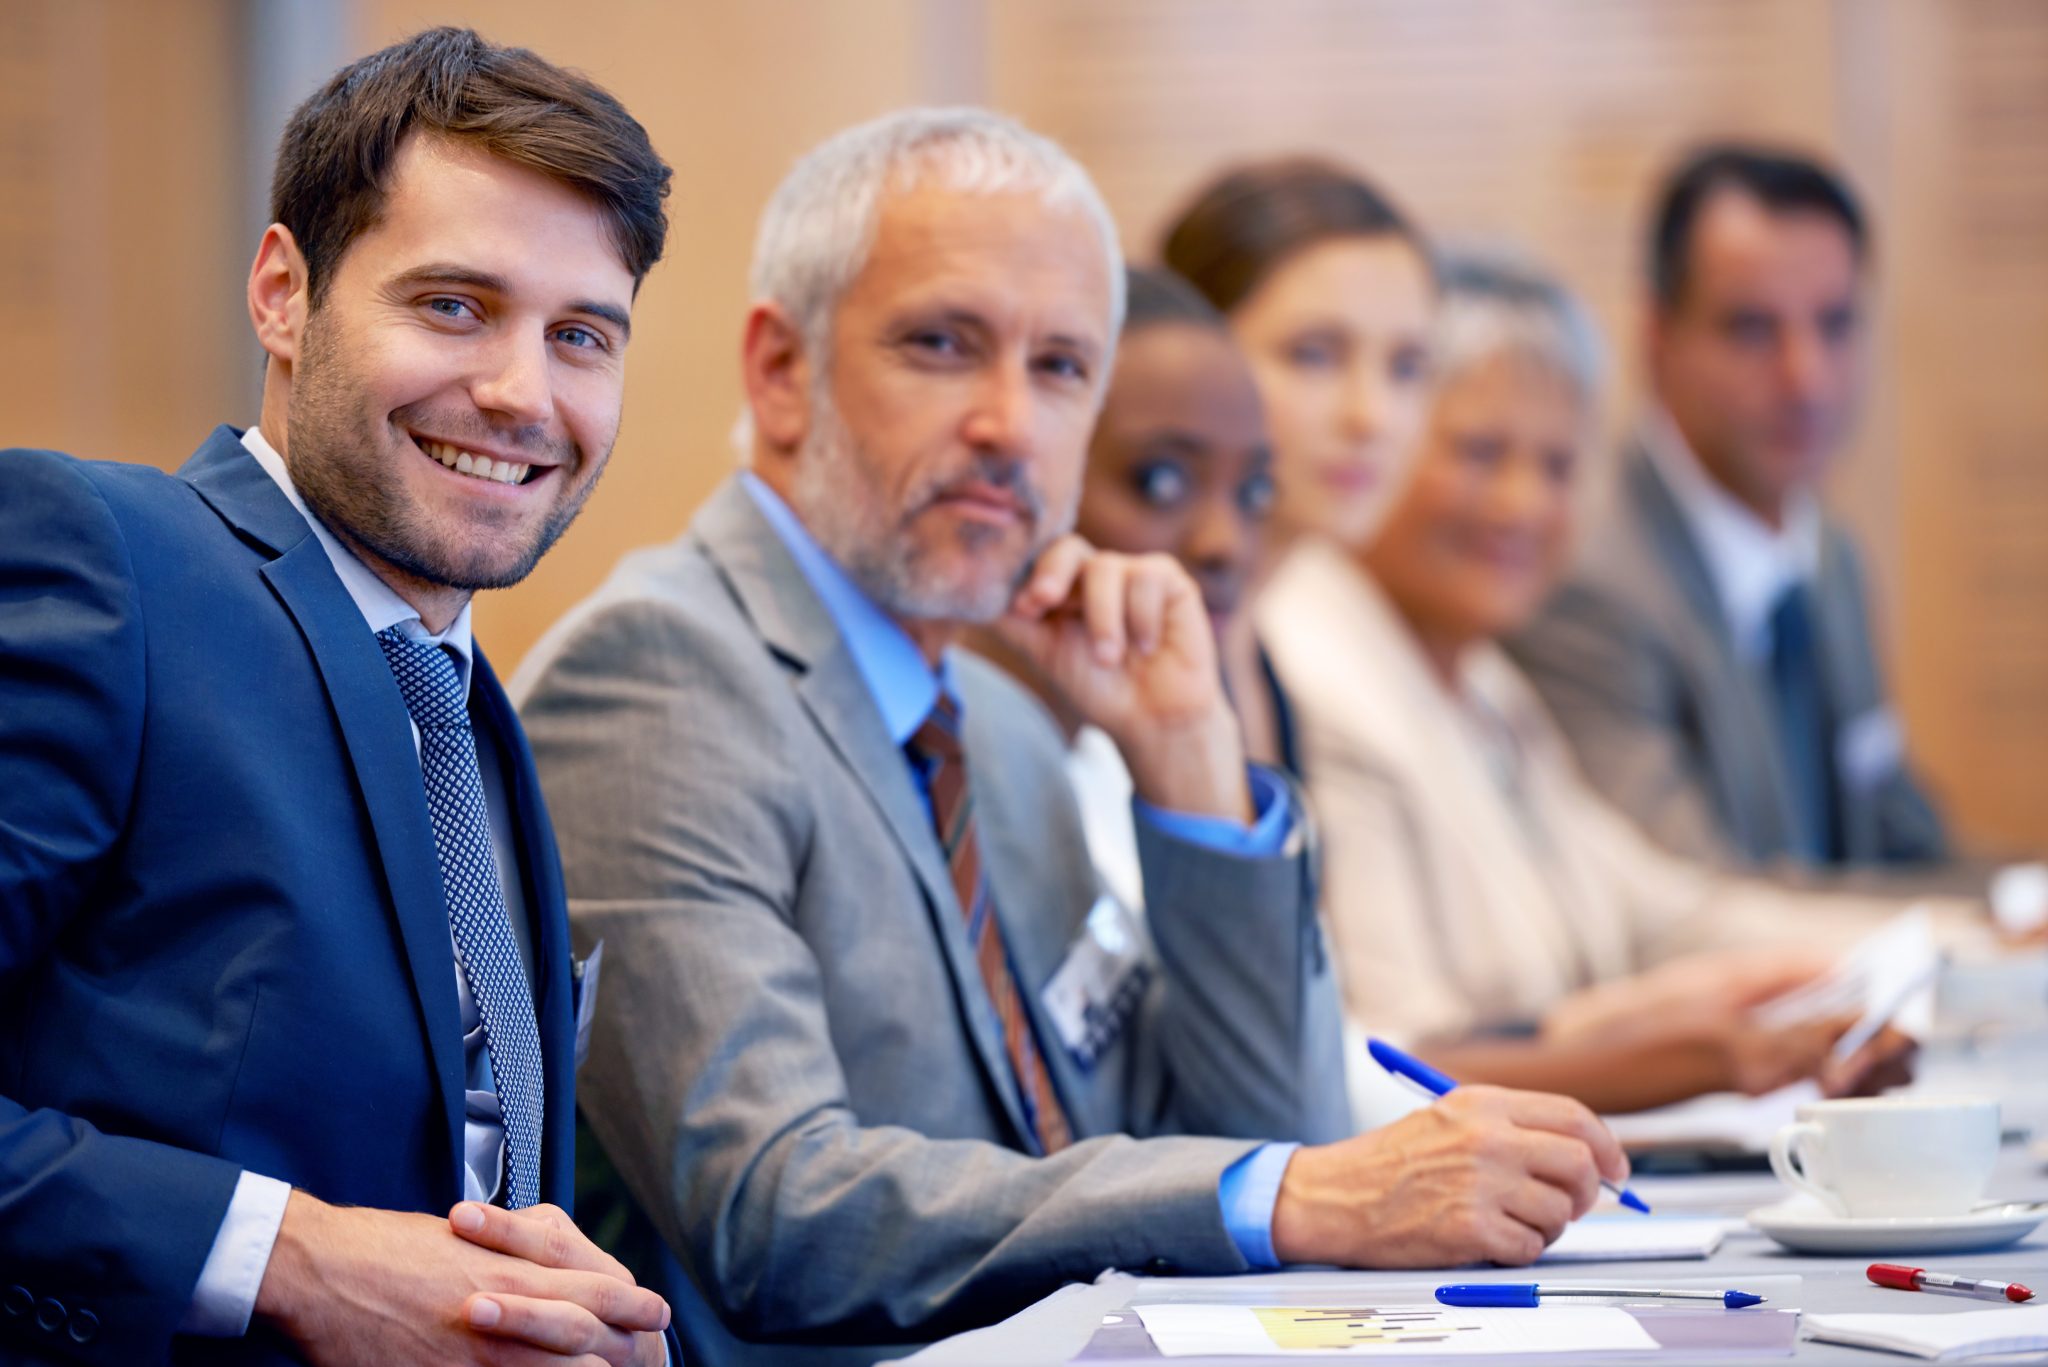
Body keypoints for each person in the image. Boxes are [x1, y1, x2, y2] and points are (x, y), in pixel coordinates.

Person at [514, 109, 1631, 1366]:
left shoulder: (1000, 721)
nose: (1010, 424)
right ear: (781, 371)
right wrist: (1285, 1191)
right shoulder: (659, 675)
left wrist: (1192, 769)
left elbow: (1261, 1125)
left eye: (1059, 369)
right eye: (944, 345)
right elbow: (776, 1212)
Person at [0, 29, 677, 1367]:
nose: (520, 393)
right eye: (453, 305)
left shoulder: (471, 709)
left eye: (580, 334)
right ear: (280, 293)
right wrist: (287, 1257)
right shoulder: (108, 559)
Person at [1259, 249, 1952, 1114]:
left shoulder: (1480, 679)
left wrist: (1948, 942)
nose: (1523, 505)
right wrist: (1679, 1035)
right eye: (1480, 453)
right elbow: (1396, 1057)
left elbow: (1660, 907)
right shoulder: (1314, 669)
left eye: (1557, 465)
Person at [1506, 145, 1955, 874]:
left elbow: (1902, 838)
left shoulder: (1829, 557)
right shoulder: (1590, 585)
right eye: (1752, 329)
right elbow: (1695, 895)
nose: (1805, 377)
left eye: (1835, 325)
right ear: (1656, 341)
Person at [972, 265, 1278, 913]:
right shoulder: (936, 782)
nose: (1225, 541)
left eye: (1254, 492)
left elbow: (1284, 1015)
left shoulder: (1131, 758)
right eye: (1161, 482)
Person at [1159, 157, 1438, 776]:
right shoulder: (1136, 637)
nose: (1371, 418)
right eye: (1314, 357)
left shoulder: (1260, 635)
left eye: (1407, 367)